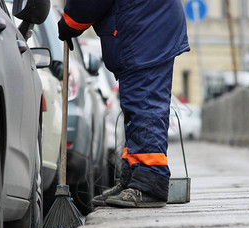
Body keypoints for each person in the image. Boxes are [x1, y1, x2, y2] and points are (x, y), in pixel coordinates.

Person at [57, 0, 189, 208]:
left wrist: (69, 21)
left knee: (145, 106)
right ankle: (133, 179)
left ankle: (149, 185)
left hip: (144, 29)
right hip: (146, 26)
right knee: (137, 107)